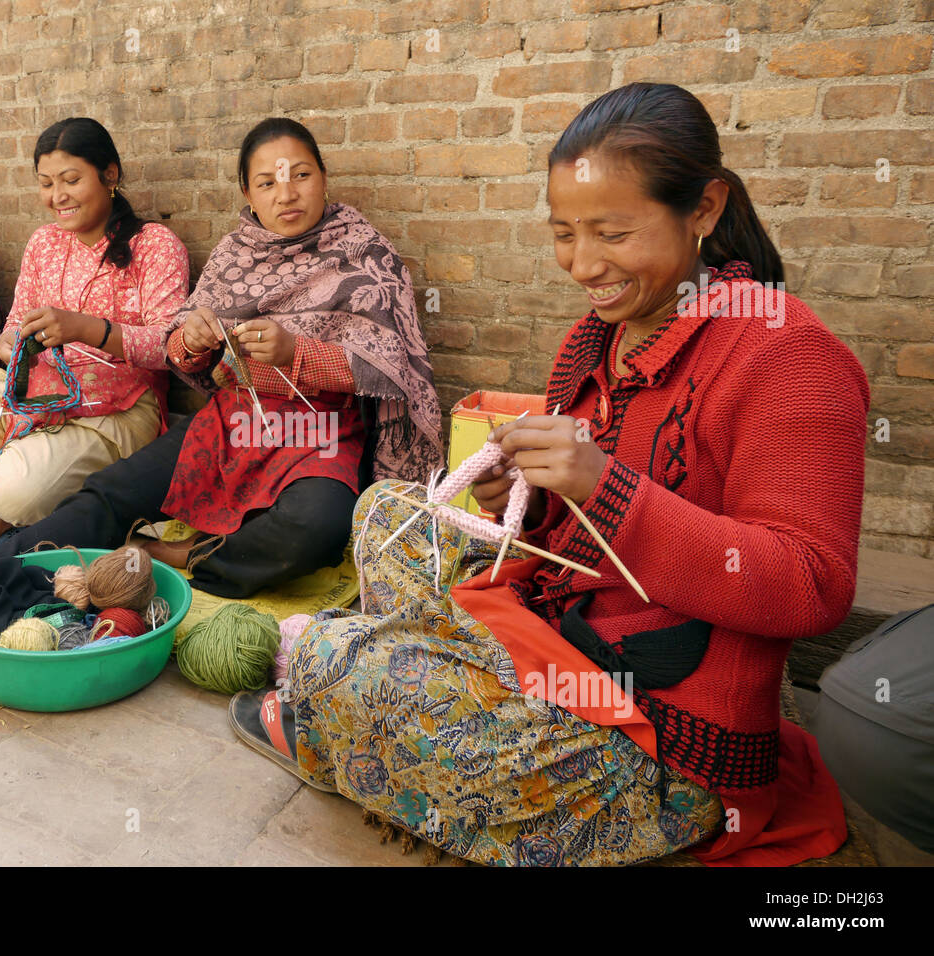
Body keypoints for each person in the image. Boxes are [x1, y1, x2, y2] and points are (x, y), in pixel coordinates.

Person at [232, 83, 871, 867]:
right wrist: (527, 508)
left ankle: (352, 706)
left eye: (612, 233)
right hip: (567, 630)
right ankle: (380, 698)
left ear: (704, 208)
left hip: (657, 727)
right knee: (385, 512)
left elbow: (811, 582)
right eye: (564, 233)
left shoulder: (784, 356)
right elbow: (572, 535)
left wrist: (602, 485)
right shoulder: (589, 345)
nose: (583, 265)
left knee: (342, 664)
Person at [0, 117, 443, 634]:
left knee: (317, 528)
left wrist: (295, 353)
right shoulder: (235, 255)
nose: (286, 194)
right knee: (107, 497)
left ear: (324, 178)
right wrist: (196, 343)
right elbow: (181, 352)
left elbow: (393, 367)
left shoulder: (366, 254)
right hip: (231, 426)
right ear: (247, 195)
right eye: (267, 182)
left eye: (300, 174)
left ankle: (164, 556)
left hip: (320, 436)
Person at [0, 118, 189, 549]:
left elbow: (169, 349)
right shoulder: (44, 243)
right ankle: (0, 490)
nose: (56, 196)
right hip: (35, 391)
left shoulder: (154, 245)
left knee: (17, 490)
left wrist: (84, 329)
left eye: (71, 180)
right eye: (46, 183)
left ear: (110, 175)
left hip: (115, 413)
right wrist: (12, 344)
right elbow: (14, 327)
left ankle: (6, 502)